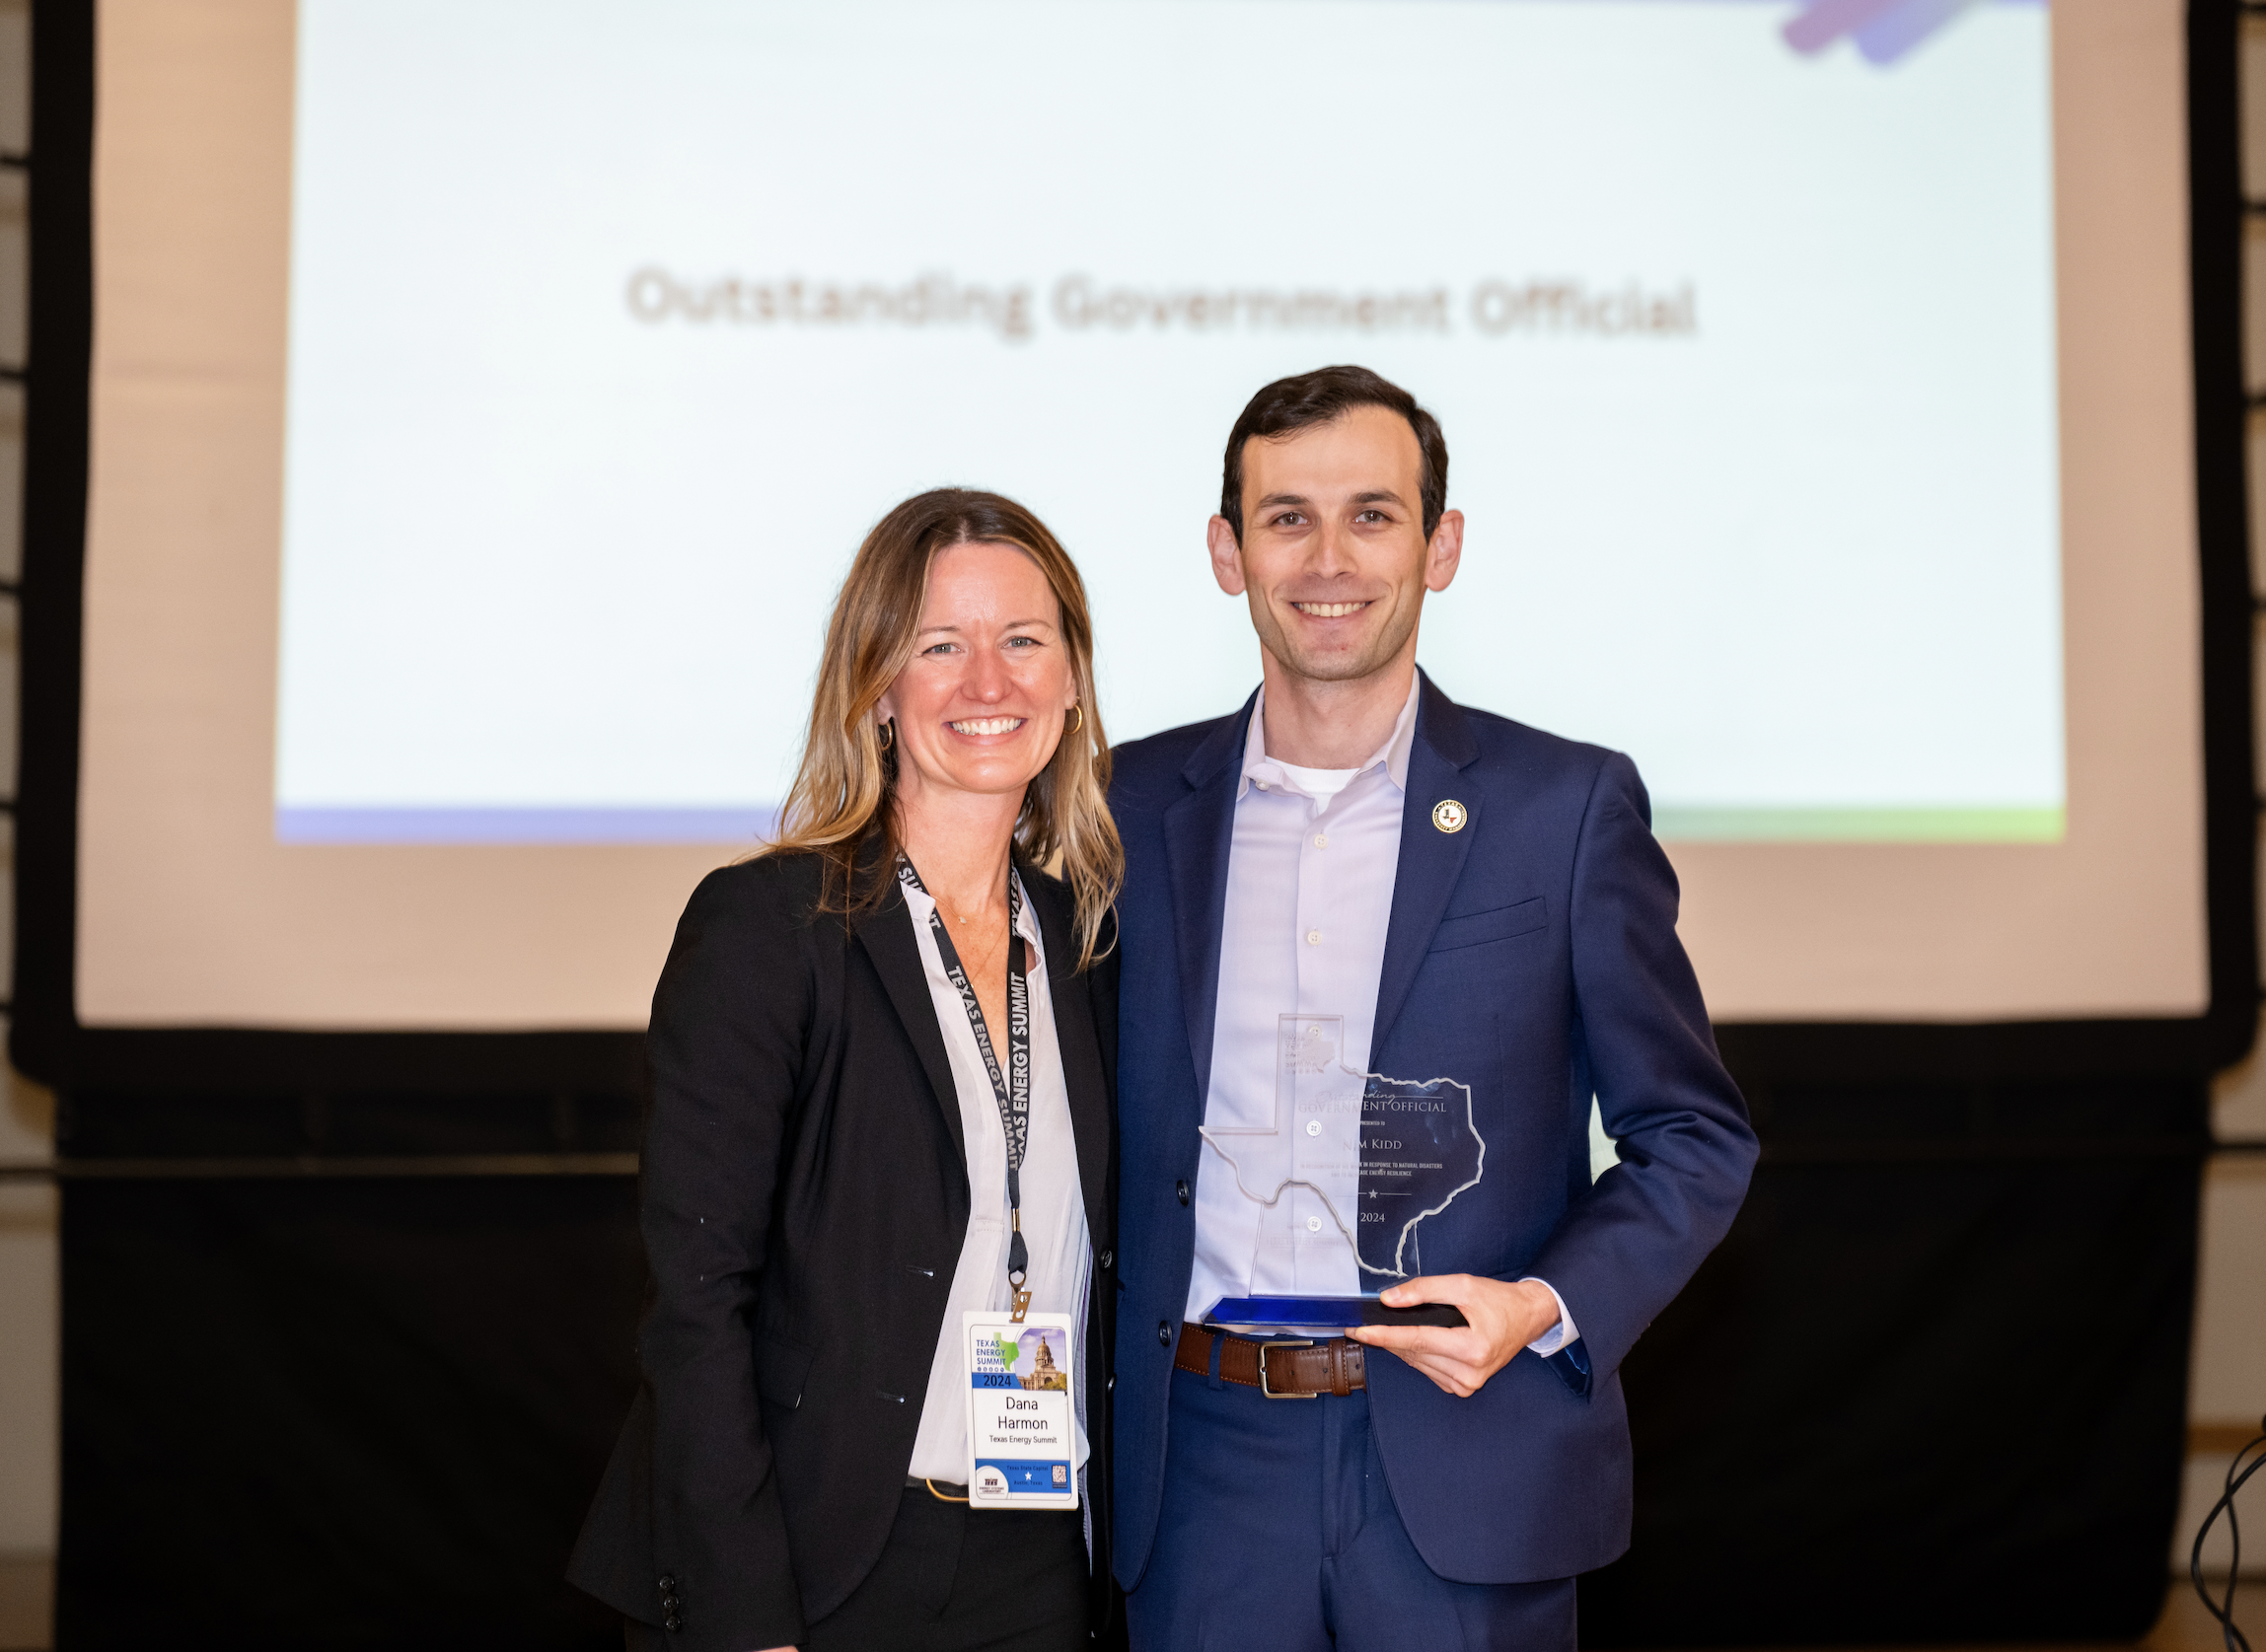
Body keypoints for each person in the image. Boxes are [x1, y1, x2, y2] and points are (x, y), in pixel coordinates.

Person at [1107, 366, 1759, 1648]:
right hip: (1200, 1464)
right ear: (1226, 552)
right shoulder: (1118, 809)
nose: (1329, 557)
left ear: (1439, 544)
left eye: (1372, 513)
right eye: (1286, 516)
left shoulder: (1561, 808)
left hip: (1469, 1447)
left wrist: (1540, 1304)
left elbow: (1694, 1134)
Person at [569, 489, 1124, 1652]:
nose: (990, 682)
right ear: (876, 689)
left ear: (1072, 683)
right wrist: (744, 1614)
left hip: (1039, 1567)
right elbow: (697, 1306)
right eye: (940, 645)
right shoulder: (769, 928)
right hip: (811, 1564)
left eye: (1024, 640)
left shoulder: (1087, 942)